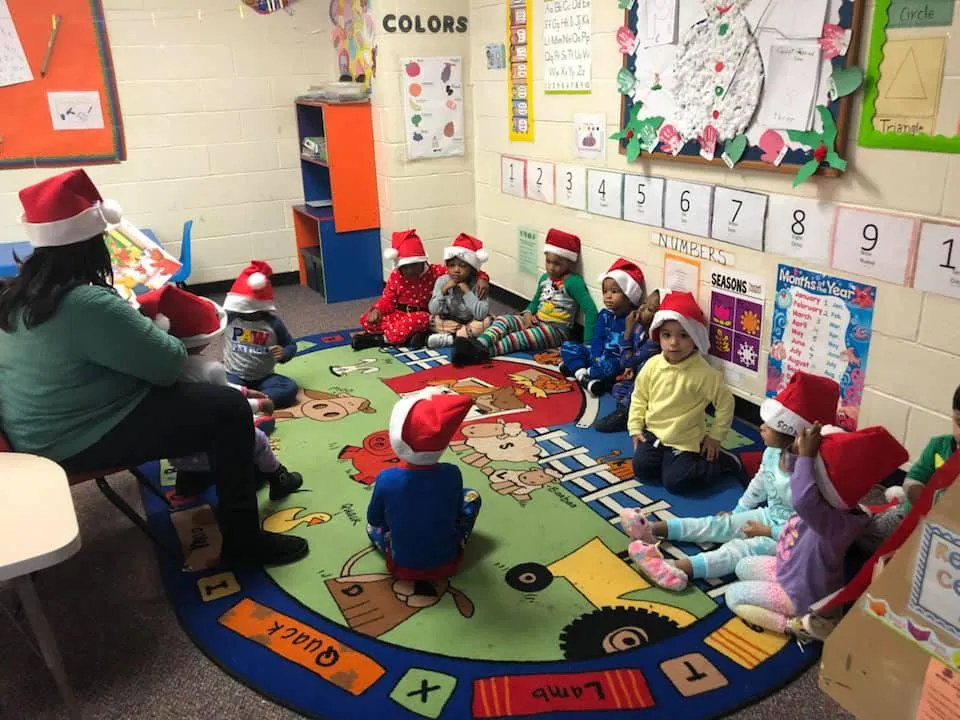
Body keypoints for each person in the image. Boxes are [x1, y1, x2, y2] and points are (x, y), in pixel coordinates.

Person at [0, 169, 306, 566]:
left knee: (198, 401)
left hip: (31, 431)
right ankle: (243, 540)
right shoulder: (88, 305)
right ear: (90, 245)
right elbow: (169, 364)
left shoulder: (17, 294)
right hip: (72, 438)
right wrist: (151, 326)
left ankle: (205, 474)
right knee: (227, 408)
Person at [623, 372, 840, 590]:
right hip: (769, 517)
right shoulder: (774, 453)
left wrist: (768, 532)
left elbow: (808, 526)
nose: (761, 427)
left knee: (739, 550)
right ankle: (652, 528)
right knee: (718, 524)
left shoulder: (812, 476)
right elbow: (760, 483)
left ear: (793, 433)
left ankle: (679, 568)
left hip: (790, 539)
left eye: (769, 425)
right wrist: (738, 512)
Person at [724, 423, 907, 642]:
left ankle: (796, 626)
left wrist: (807, 456)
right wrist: (798, 450)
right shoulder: (827, 506)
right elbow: (798, 477)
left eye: (811, 472)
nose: (801, 476)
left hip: (802, 595)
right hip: (788, 572)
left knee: (733, 596)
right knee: (742, 566)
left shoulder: (830, 520)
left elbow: (802, 497)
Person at [138, 285, 303, 500]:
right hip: (213, 449)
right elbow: (228, 403)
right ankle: (279, 479)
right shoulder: (210, 369)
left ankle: (188, 485)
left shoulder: (155, 369)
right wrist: (260, 405)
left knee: (194, 436)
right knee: (258, 439)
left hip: (177, 452)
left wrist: (245, 390)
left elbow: (211, 393)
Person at [628, 291, 738, 494]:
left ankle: (721, 463)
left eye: (683, 335)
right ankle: (668, 462)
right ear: (658, 336)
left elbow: (725, 403)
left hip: (685, 441)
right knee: (642, 469)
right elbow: (639, 397)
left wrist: (715, 437)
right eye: (666, 335)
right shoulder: (653, 365)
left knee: (677, 483)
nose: (674, 343)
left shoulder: (704, 373)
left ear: (695, 338)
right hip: (654, 435)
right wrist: (635, 427)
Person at [366, 388, 482, 580]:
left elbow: (375, 519)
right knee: (471, 496)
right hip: (448, 563)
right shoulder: (452, 472)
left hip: (400, 565)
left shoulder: (386, 478)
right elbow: (456, 511)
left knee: (373, 529)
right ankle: (458, 539)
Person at [452, 229, 597, 364]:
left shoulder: (573, 282)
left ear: (569, 263)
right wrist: (527, 313)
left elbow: (590, 310)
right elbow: (535, 301)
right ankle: (481, 343)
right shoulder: (545, 278)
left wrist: (588, 344)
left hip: (556, 330)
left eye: (557, 264)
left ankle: (482, 353)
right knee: (504, 319)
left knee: (519, 338)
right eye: (548, 262)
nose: (551, 267)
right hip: (537, 320)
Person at [858, 383, 960, 552]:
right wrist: (928, 508)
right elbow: (913, 480)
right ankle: (893, 504)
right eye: (959, 421)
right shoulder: (940, 445)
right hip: (913, 516)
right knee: (864, 537)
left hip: (949, 536)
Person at [352, 229, 490, 350]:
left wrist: (483, 278)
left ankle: (382, 340)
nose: (409, 270)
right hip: (400, 313)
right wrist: (377, 310)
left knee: (418, 320)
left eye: (414, 265)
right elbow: (388, 299)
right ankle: (407, 335)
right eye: (405, 267)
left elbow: (468, 272)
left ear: (423, 262)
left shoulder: (436, 272)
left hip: (423, 316)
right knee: (367, 320)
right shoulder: (396, 276)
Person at [559, 258, 645, 397]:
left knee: (609, 368)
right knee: (568, 346)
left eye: (614, 291)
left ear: (629, 296)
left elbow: (633, 348)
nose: (608, 296)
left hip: (615, 361)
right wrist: (597, 355)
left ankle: (578, 370)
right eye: (605, 291)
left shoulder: (633, 320)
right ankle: (584, 377)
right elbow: (597, 338)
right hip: (598, 356)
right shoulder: (604, 315)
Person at [222, 260, 299, 409]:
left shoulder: (274, 323)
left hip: (264, 377)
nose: (248, 315)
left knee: (290, 388)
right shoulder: (229, 319)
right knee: (221, 388)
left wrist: (284, 353)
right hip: (233, 374)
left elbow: (291, 345)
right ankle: (252, 403)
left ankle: (253, 401)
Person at [594, 288, 667, 432]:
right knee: (618, 388)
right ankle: (640, 414)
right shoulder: (640, 329)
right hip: (640, 383)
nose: (642, 308)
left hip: (655, 389)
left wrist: (627, 330)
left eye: (649, 309)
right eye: (644, 303)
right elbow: (627, 359)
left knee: (639, 381)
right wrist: (631, 367)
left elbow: (626, 360)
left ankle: (625, 415)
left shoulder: (655, 342)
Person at [427, 233, 492, 349]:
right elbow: (433, 310)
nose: (456, 270)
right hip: (451, 321)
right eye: (452, 265)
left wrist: (467, 292)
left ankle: (452, 338)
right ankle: (461, 336)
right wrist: (443, 291)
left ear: (471, 268)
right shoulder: (443, 281)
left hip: (472, 321)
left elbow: (481, 314)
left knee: (486, 322)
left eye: (462, 266)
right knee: (430, 319)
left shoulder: (479, 284)